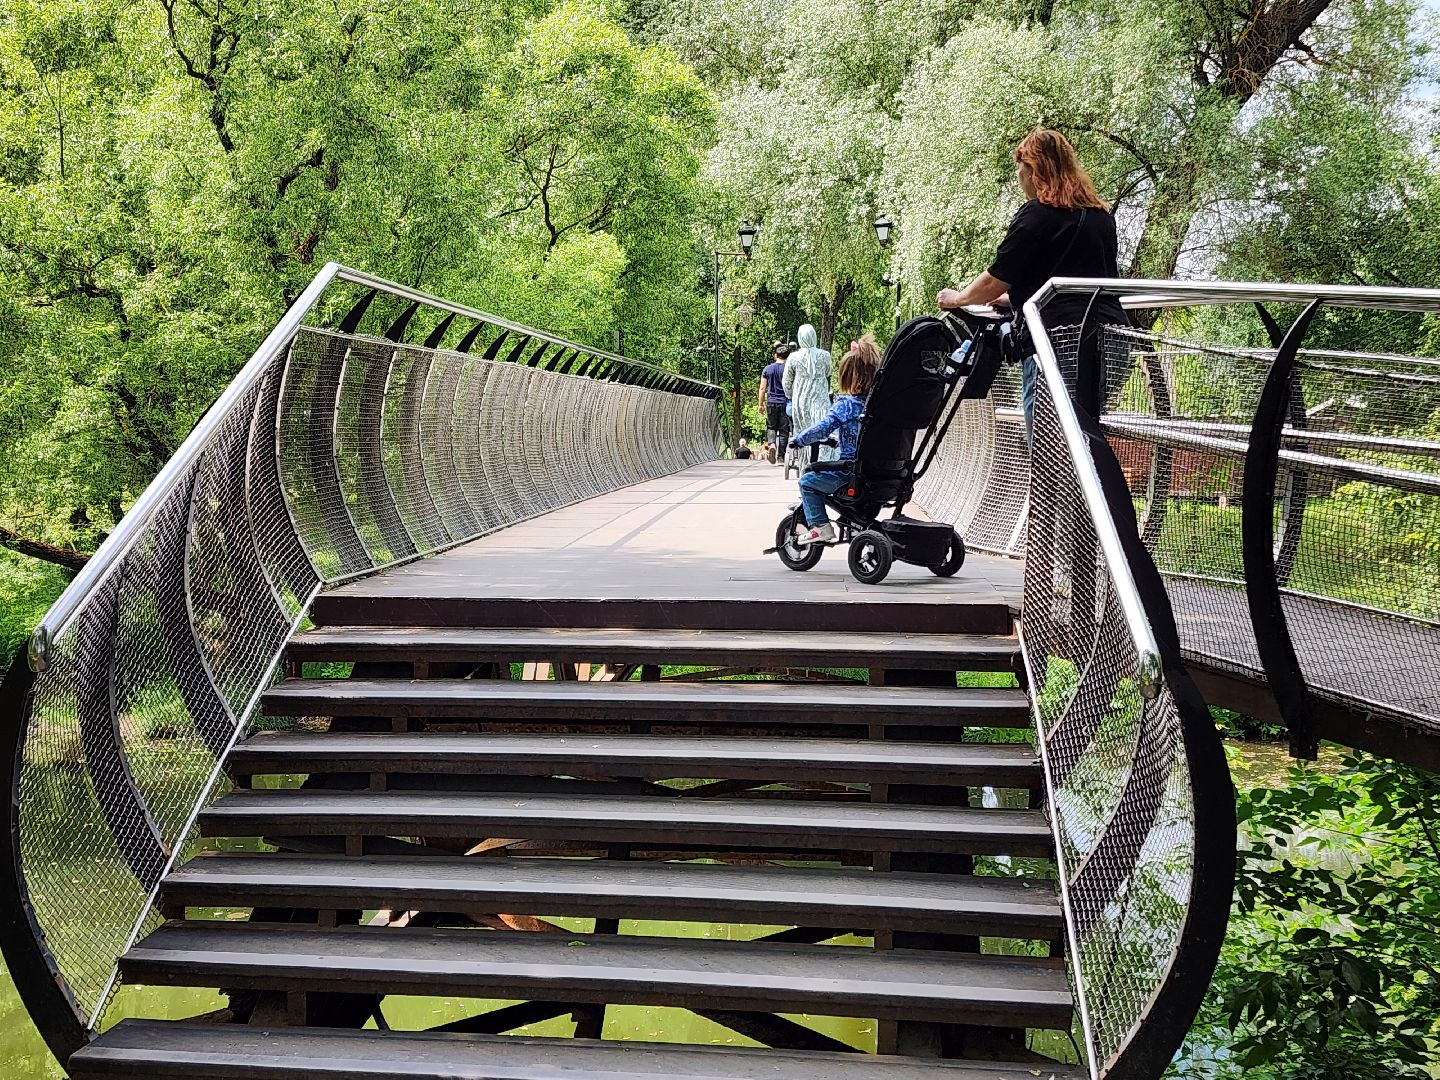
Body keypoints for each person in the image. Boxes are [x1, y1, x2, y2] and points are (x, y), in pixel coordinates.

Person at [936, 128, 1127, 438]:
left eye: (1021, 170)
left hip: (1060, 342)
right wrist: (1015, 299)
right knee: (1085, 439)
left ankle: (1054, 473)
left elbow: (996, 279)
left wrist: (958, 298)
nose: (1019, 179)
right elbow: (1078, 276)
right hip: (1111, 339)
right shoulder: (1101, 217)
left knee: (1047, 443)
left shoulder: (1037, 214)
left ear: (1034, 170)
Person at [789, 334, 881, 545]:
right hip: (881, 473)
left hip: (851, 473)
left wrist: (799, 439)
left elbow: (822, 428)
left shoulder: (846, 405)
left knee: (808, 481)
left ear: (848, 377)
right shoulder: (880, 406)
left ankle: (820, 526)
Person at [784, 325, 835, 463]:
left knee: (804, 433)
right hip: (820, 400)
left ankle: (805, 464)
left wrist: (790, 396)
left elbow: (786, 381)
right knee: (821, 430)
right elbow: (828, 372)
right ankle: (822, 463)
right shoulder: (825, 355)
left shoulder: (793, 357)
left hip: (801, 401)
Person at [758, 342, 792, 465]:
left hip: (771, 402)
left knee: (771, 427)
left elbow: (762, 388)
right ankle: (781, 457)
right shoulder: (789, 369)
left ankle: (772, 444)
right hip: (785, 402)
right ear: (788, 356)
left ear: (775, 355)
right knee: (784, 430)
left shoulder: (768, 369)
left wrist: (761, 404)